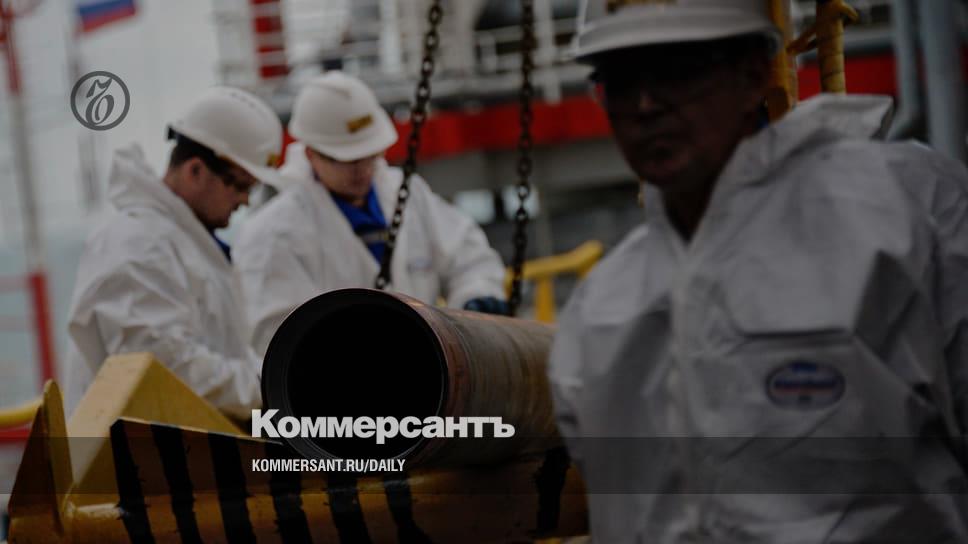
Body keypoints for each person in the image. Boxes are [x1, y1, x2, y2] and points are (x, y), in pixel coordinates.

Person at [548, 0, 968, 541]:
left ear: (752, 75)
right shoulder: (602, 309)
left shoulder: (905, 216)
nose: (646, 105)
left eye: (676, 71)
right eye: (622, 81)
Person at [235, 71, 508, 357]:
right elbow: (280, 339)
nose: (362, 170)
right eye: (346, 160)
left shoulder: (409, 194)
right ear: (311, 154)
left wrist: (475, 295)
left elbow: (467, 257)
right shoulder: (274, 234)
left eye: (369, 155)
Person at [64, 87, 284, 420]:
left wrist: (274, 378)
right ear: (195, 170)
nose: (245, 201)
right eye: (240, 186)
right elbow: (166, 369)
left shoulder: (184, 244)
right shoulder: (139, 245)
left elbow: (226, 354)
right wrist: (270, 387)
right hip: (124, 451)